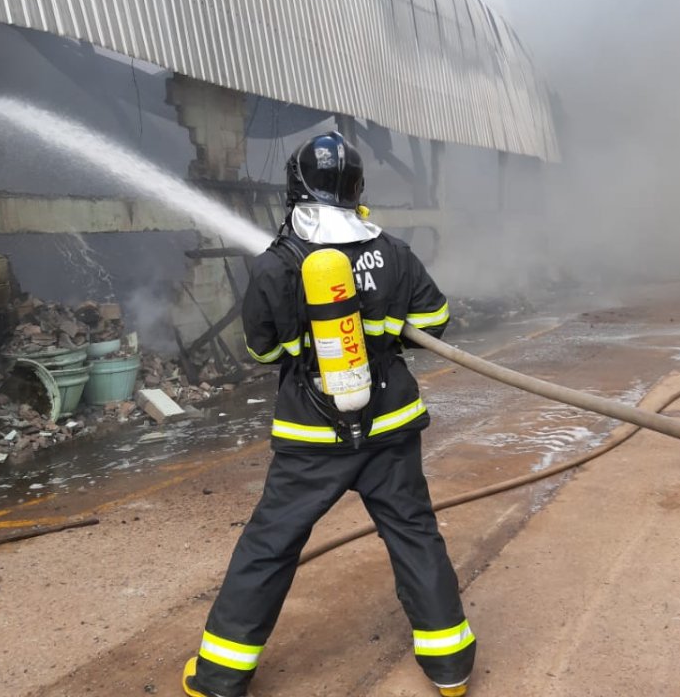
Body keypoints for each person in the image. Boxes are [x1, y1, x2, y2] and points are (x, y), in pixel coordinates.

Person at [182, 132, 475, 697]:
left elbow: (262, 351)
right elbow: (435, 319)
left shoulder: (277, 264)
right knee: (415, 536)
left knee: (269, 547)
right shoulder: (391, 250)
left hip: (311, 436)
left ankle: (217, 678)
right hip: (389, 428)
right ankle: (451, 668)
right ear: (357, 189)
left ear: (295, 189)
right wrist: (384, 329)